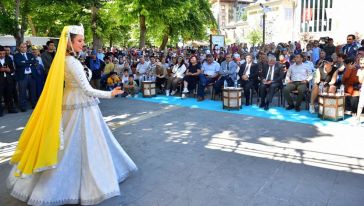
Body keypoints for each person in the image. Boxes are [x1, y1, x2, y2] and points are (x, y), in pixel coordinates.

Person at [7, 25, 137, 205]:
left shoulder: (68, 60)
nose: (83, 44)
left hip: (75, 102)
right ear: (69, 42)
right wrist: (110, 94)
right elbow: (87, 89)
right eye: (80, 41)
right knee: (77, 144)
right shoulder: (72, 62)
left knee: (79, 142)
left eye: (83, 40)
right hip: (80, 105)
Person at [13, 43, 38, 112]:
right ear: (19, 48)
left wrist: (24, 62)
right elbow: (18, 64)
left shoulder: (30, 54)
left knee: (33, 92)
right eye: (22, 47)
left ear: (26, 48)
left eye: (25, 47)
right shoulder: (16, 55)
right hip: (22, 77)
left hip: (31, 75)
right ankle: (23, 107)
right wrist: (29, 62)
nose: (23, 48)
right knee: (22, 92)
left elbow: (34, 61)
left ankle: (34, 104)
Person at [0, 46, 18, 116]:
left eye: (3, 54)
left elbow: (13, 69)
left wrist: (9, 70)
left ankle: (11, 109)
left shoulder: (8, 58)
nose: (2, 55)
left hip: (8, 80)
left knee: (9, 95)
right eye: (0, 54)